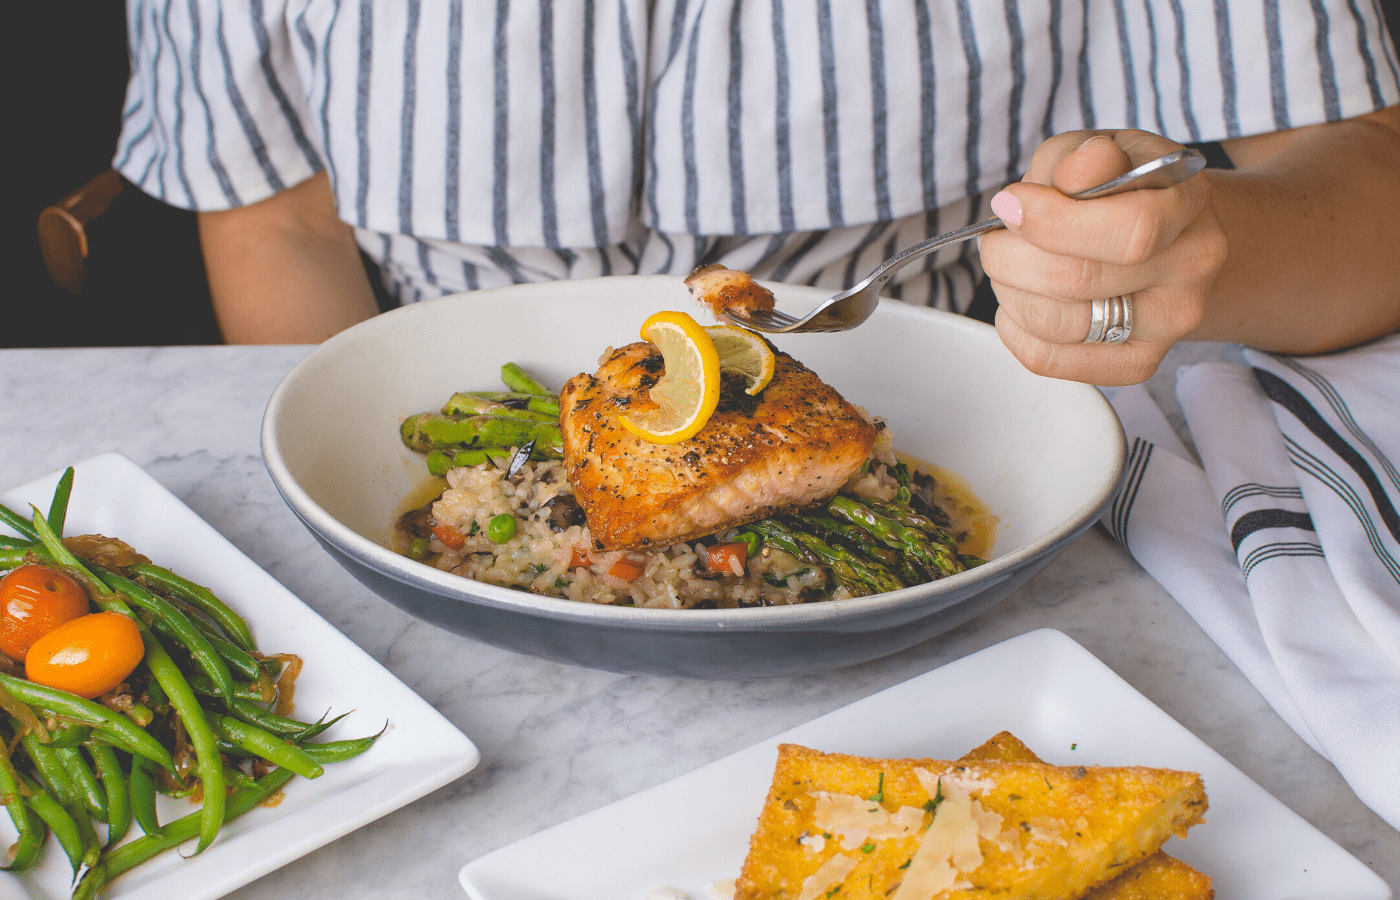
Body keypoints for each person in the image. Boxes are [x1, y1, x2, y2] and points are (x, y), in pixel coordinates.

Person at [114, 2, 1400, 385]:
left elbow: (1370, 191)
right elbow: (278, 220)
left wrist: (1191, 259)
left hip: (962, 413)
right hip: (449, 429)